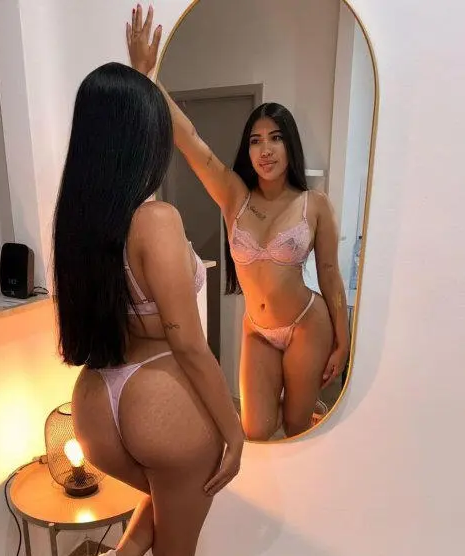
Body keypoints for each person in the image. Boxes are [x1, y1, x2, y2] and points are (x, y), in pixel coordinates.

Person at [53, 59, 244, 556]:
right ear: (143, 136)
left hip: (95, 401)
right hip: (157, 397)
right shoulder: (155, 219)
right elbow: (187, 340)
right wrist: (233, 428)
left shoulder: (81, 221)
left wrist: (142, 75)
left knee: (167, 496)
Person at [127, 5, 350, 441]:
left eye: (276, 139)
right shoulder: (234, 195)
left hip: (308, 323)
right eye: (255, 141)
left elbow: (330, 276)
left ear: (290, 146)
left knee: (297, 428)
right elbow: (189, 139)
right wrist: (146, 76)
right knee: (255, 429)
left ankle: (303, 419)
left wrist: (342, 341)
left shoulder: (314, 204)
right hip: (257, 330)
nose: (265, 150)